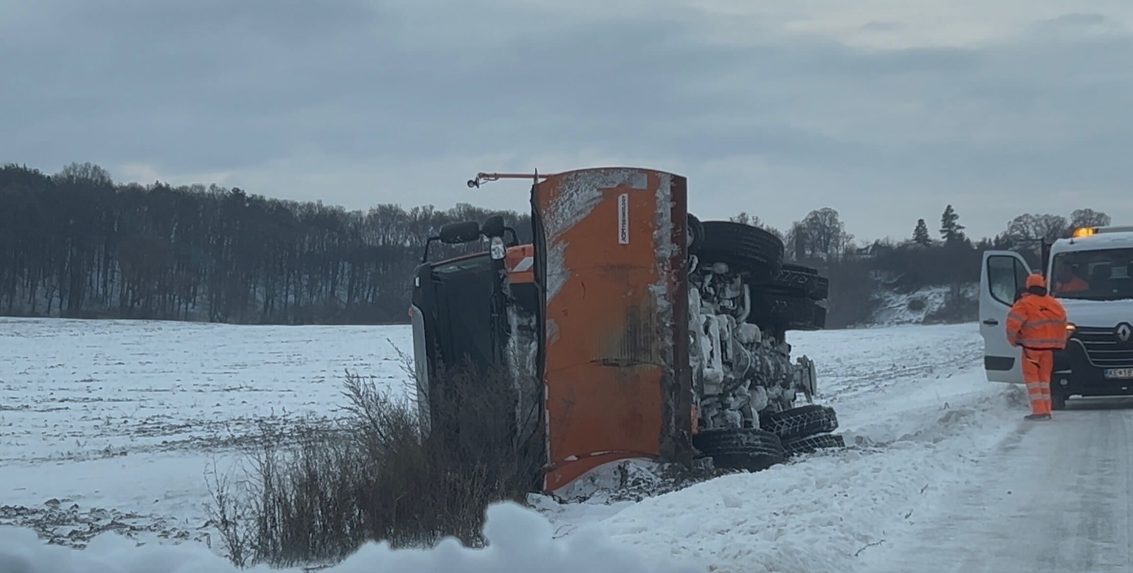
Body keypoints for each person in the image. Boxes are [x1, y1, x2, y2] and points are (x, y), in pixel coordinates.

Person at [1006, 273, 1069, 420]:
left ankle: (1039, 411)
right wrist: (1060, 343)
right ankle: (1047, 409)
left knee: (1033, 382)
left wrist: (1013, 340)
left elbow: (1012, 324)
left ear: (1029, 286)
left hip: (1031, 350)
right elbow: (1063, 323)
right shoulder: (1054, 304)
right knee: (1044, 380)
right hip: (1049, 350)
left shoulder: (1023, 303)